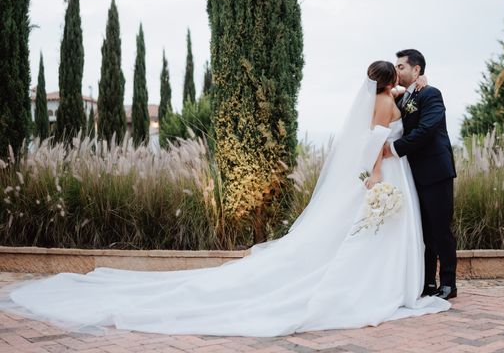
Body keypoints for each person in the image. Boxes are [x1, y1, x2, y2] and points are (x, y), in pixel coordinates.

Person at [0, 61, 449, 337]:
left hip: (391, 171)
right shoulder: (388, 104)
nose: (403, 74)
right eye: (400, 71)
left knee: (373, 232)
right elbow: (375, 144)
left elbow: (385, 131)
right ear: (394, 79)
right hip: (385, 172)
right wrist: (374, 180)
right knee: (375, 232)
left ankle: (404, 283)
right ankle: (393, 286)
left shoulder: (394, 99)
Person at [383, 49, 458, 300]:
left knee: (440, 230)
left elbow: (427, 129)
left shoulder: (431, 94)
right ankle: (426, 283)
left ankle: (449, 284)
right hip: (414, 175)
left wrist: (393, 148)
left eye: (401, 66)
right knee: (424, 232)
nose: (397, 70)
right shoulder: (402, 98)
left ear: (417, 70)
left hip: (436, 172)